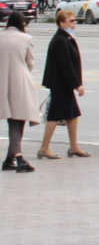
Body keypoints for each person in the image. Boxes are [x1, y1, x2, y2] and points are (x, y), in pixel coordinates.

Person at [36, 10, 87, 160]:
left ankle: (74, 147)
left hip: (63, 85)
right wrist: (77, 85)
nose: (74, 23)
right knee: (54, 116)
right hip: (61, 85)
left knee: (72, 115)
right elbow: (65, 66)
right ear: (61, 23)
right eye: (71, 21)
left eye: (74, 20)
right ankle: (44, 148)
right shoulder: (61, 40)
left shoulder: (65, 38)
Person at [0, 13, 39, 173]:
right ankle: (19, 158)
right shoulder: (26, 38)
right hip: (19, 82)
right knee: (18, 119)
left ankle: (9, 159)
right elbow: (30, 63)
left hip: (2, 82)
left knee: (13, 119)